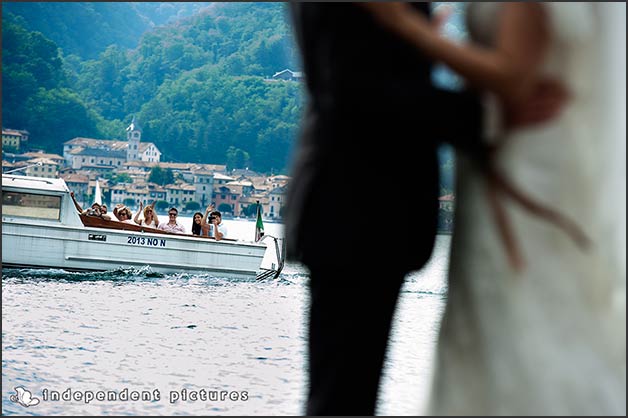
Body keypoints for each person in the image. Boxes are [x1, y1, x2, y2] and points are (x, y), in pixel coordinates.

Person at [284, 3, 571, 416]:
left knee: (347, 395)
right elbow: (351, 86)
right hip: (356, 208)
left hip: (366, 210)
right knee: (343, 398)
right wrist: (485, 116)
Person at [364, 2, 626, 415]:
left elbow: (514, 77)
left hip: (525, 159)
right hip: (500, 157)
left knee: (525, 325)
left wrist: (411, 30)